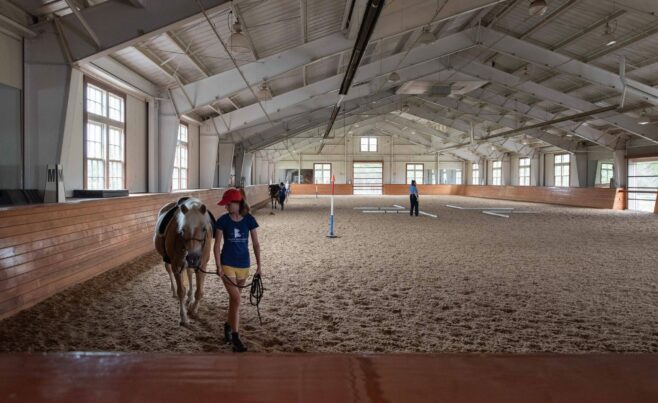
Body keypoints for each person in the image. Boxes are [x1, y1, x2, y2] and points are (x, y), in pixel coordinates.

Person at [214, 188, 262, 352]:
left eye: (228, 204)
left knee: (234, 301)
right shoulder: (222, 221)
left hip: (244, 265)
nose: (226, 207)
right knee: (237, 299)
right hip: (227, 264)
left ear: (236, 203)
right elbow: (216, 245)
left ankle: (228, 325)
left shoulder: (249, 220)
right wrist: (218, 266)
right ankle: (236, 338)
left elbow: (255, 243)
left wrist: (259, 266)